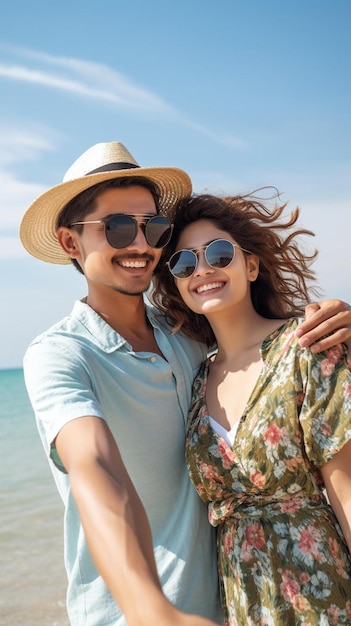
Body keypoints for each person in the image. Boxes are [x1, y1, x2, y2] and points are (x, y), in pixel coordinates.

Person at [19, 142, 351, 626]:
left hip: (232, 610)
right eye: (115, 227)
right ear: (71, 243)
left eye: (152, 227)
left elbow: (259, 348)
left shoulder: (189, 340)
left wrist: (333, 321)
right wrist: (150, 609)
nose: (140, 245)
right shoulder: (58, 355)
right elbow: (94, 466)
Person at [152, 191, 351, 625]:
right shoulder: (195, 379)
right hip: (243, 604)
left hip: (325, 596)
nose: (203, 269)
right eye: (185, 263)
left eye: (219, 254)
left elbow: (346, 490)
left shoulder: (308, 345)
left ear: (252, 265)